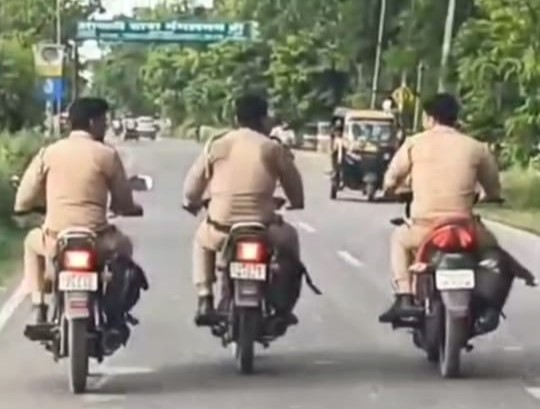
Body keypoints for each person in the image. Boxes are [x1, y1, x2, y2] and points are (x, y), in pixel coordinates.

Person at [379, 93, 535, 324]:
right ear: (454, 118)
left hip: (424, 229)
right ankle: (491, 307)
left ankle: (404, 296)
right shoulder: (476, 147)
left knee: (399, 240)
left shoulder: (414, 143)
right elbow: (493, 189)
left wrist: (390, 192)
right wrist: (486, 197)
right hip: (465, 229)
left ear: (429, 118)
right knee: (495, 253)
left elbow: (391, 180)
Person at [14, 97, 143, 324]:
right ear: (92, 123)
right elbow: (123, 200)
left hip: (56, 240)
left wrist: (25, 208)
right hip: (98, 241)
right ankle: (115, 312)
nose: (106, 125)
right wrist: (131, 209)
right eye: (104, 120)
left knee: (31, 243)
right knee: (125, 246)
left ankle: (38, 306)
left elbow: (24, 197)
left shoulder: (49, 153)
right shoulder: (107, 155)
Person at [182, 94, 304, 324]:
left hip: (222, 229)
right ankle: (284, 305)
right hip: (263, 229)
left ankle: (205, 297)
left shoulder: (217, 145)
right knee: (291, 238)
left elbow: (191, 189)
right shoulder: (271, 147)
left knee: (201, 241)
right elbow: (294, 185)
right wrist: (295, 202)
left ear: (236, 118)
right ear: (264, 119)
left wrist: (192, 202)